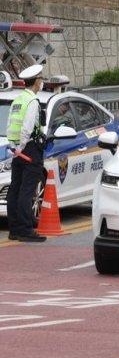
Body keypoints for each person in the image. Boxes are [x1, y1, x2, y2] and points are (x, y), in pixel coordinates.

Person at [6, 64, 47, 242]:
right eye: (41, 79)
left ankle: (14, 228)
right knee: (26, 190)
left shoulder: (18, 99)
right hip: (28, 149)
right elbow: (27, 128)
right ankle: (25, 229)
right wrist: (22, 147)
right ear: (37, 81)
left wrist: (14, 147)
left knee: (15, 189)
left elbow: (10, 124)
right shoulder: (32, 102)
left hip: (17, 149)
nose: (42, 82)